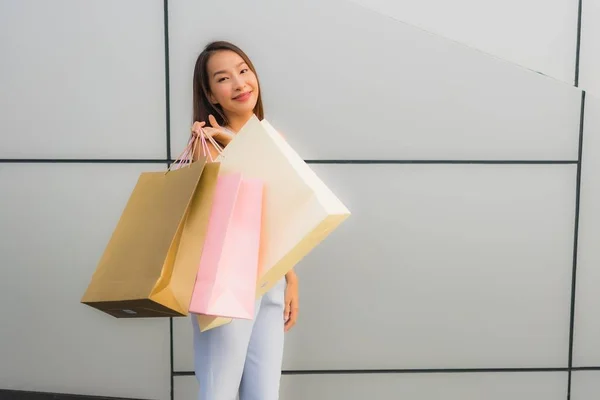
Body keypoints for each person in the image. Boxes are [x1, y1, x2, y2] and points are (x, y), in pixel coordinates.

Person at [188, 40, 299, 400]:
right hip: (225, 283)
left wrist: (291, 278)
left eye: (243, 70)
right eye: (223, 78)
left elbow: (280, 215)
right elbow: (212, 222)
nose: (239, 84)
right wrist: (229, 141)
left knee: (265, 395)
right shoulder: (207, 145)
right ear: (211, 94)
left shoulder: (274, 139)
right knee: (218, 392)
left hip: (270, 280)